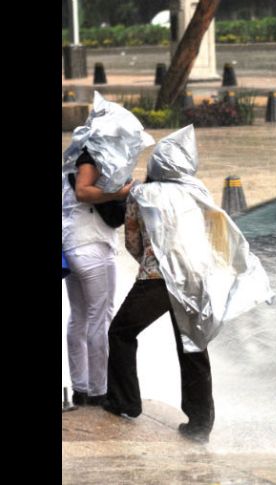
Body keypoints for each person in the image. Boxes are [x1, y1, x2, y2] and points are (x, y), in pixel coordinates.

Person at [102, 125, 274, 445]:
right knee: (193, 345)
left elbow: (132, 241)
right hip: (196, 279)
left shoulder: (142, 193)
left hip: (156, 279)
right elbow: (217, 234)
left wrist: (150, 261)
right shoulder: (199, 192)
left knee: (121, 332)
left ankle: (124, 401)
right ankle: (200, 423)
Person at [62, 95, 154, 407]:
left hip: (72, 245)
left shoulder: (75, 153)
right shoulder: (92, 156)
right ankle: (98, 390)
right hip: (92, 247)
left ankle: (81, 387)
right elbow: (84, 191)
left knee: (79, 318)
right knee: (99, 318)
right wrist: (122, 191)